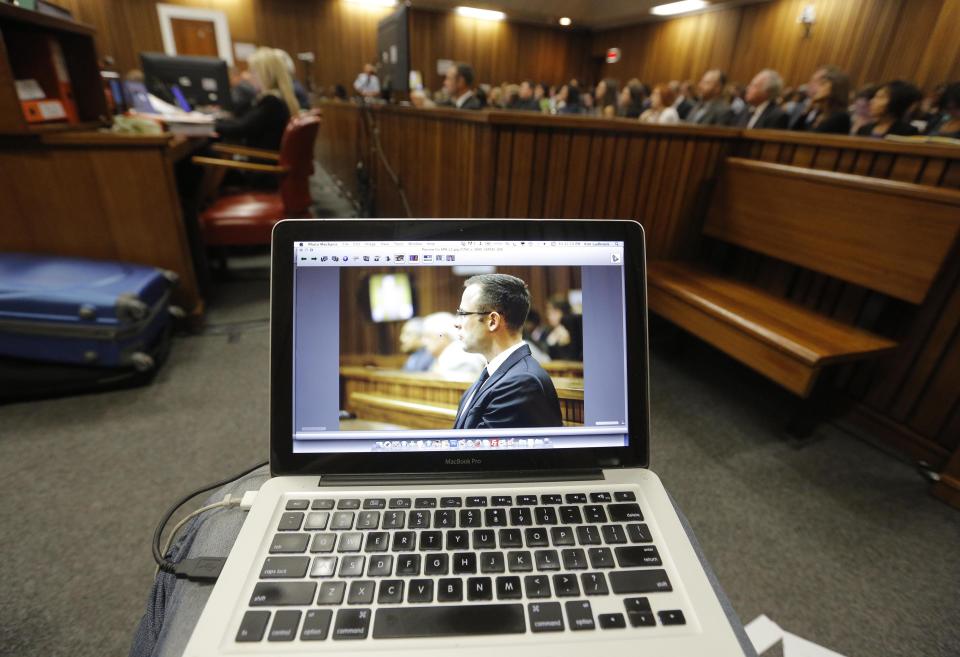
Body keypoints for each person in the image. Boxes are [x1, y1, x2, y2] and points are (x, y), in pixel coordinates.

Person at [452, 274, 563, 430]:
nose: (456, 324)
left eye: (463, 314)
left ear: (492, 321)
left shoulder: (521, 383)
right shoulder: (495, 374)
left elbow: (478, 452)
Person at [214, 47, 299, 152]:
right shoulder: (278, 97)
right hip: (266, 157)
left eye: (252, 72)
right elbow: (244, 122)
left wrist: (211, 126)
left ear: (265, 74)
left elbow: (241, 129)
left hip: (262, 163)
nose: (248, 76)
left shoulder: (272, 101)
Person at [422, 312, 485, 377]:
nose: (423, 342)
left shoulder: (459, 356)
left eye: (428, 336)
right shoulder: (444, 356)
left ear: (442, 337)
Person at [792, 66, 851, 134]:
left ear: (835, 90)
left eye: (823, 84)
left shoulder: (841, 117)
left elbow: (813, 138)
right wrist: (807, 110)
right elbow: (794, 132)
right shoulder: (819, 112)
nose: (818, 88)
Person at [856, 80, 922, 138]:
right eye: (874, 97)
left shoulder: (907, 132)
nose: (872, 101)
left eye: (880, 97)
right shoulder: (863, 130)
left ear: (896, 102)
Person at [540, 295, 583, 361]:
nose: (550, 317)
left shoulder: (572, 330)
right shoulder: (547, 331)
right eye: (549, 313)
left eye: (554, 312)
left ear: (564, 312)